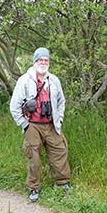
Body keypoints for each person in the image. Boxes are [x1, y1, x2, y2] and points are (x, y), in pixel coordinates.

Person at [10, 47, 71, 202]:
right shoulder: (24, 80)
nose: (43, 62)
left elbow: (61, 101)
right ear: (35, 61)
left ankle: (62, 182)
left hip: (51, 123)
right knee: (33, 156)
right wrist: (24, 125)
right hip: (32, 125)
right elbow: (14, 106)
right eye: (40, 60)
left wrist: (60, 119)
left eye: (46, 60)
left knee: (59, 151)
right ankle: (33, 187)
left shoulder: (54, 80)